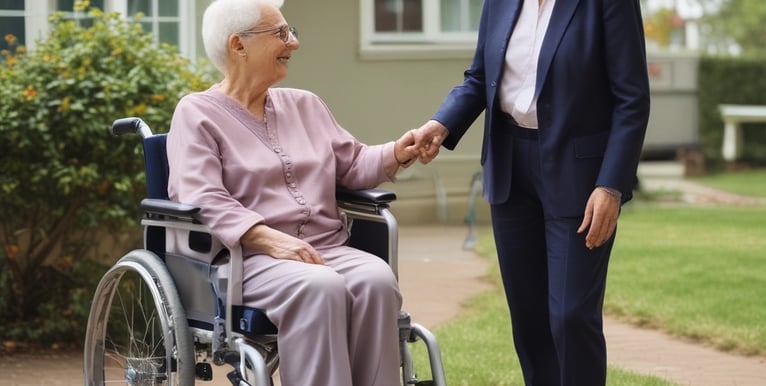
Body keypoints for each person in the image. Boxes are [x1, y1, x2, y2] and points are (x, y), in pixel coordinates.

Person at [166, 0, 419, 385]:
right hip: (247, 260)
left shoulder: (306, 104)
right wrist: (270, 240)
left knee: (376, 279)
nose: (294, 43)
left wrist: (398, 152)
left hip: (324, 248)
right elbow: (203, 196)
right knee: (319, 286)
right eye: (281, 33)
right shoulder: (196, 113)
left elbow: (352, 165)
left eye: (291, 31)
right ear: (239, 45)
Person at [412, 0, 651, 385]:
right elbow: (480, 78)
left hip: (580, 175)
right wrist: (440, 124)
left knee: (571, 315)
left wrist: (612, 184)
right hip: (510, 166)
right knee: (529, 318)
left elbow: (632, 99)